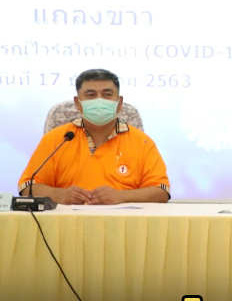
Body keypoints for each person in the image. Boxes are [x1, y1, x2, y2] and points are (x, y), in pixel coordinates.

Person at [18, 68, 170, 205]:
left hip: (124, 223)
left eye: (107, 94)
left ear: (119, 103)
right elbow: (27, 187)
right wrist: (60, 194)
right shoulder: (57, 139)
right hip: (67, 223)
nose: (99, 100)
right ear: (78, 103)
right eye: (91, 95)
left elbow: (161, 191)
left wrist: (121, 196)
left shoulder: (142, 142)